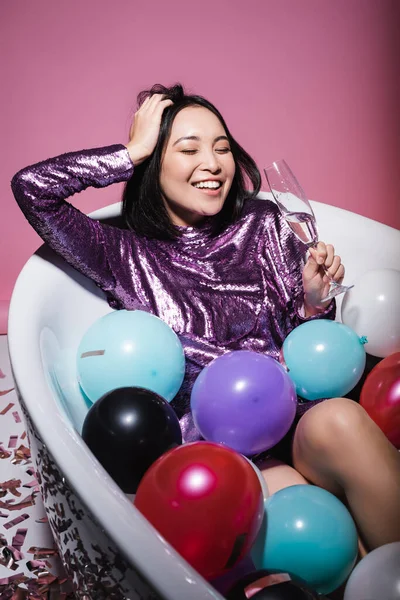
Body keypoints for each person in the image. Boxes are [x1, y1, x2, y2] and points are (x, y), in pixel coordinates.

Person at [11, 84, 400, 557]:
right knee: (313, 536)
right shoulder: (124, 254)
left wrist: (313, 305)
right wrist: (127, 153)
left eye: (222, 148)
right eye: (188, 148)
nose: (213, 163)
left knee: (343, 418)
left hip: (297, 417)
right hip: (222, 450)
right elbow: (33, 190)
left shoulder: (264, 223)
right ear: (153, 164)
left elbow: (304, 360)